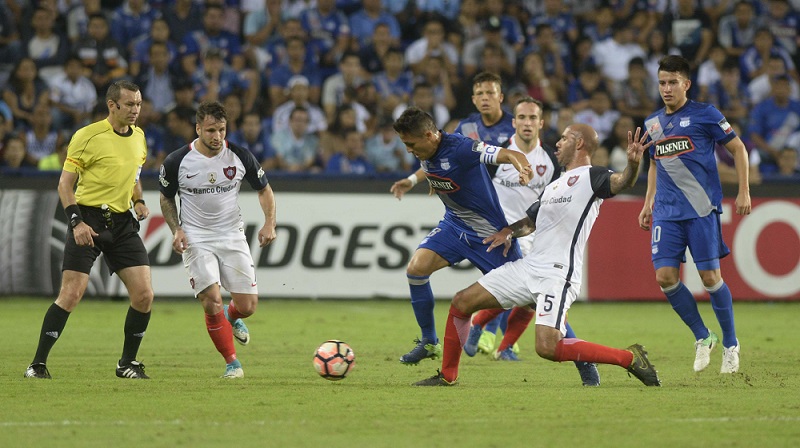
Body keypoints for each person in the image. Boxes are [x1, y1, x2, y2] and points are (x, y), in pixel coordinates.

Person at [413, 123, 661, 387]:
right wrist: (508, 232)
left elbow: (622, 182)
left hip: (557, 274)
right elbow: (530, 222)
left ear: (579, 143)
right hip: (529, 268)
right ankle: (448, 375)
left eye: (565, 138)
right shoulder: (554, 186)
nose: (558, 142)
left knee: (548, 347)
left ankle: (629, 358)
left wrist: (633, 165)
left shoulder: (593, 177)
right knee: (462, 302)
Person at [458, 97, 601, 386]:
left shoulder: (551, 160)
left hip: (537, 235)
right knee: (532, 297)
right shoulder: (499, 156)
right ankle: (580, 361)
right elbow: (479, 187)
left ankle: (484, 328)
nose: (527, 123)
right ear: (514, 121)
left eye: (532, 118)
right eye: (521, 117)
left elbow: (557, 199)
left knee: (531, 300)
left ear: (540, 122)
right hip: (504, 234)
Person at [24, 80, 154, 379]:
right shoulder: (87, 136)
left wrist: (139, 200)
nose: (136, 110)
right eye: (130, 104)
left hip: (121, 222)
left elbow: (133, 175)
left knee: (144, 295)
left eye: (139, 104)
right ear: (112, 105)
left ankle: (127, 364)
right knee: (71, 293)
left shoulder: (140, 138)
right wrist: (76, 222)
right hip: (88, 219)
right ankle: (37, 364)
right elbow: (65, 185)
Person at [388, 106, 533, 365]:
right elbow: (432, 166)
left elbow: (509, 154)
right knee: (416, 269)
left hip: (490, 234)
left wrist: (523, 168)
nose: (409, 150)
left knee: (529, 297)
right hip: (454, 226)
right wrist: (412, 181)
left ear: (430, 135)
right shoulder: (427, 149)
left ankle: (578, 356)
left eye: (411, 144)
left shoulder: (463, 148)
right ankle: (429, 342)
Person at [638, 55, 751, 375]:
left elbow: (738, 149)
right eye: (662, 83)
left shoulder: (706, 114)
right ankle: (703, 336)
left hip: (700, 209)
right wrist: (648, 203)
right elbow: (655, 166)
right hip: (666, 212)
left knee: (710, 278)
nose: (666, 88)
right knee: (664, 277)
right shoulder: (652, 124)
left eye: (673, 82)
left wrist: (743, 190)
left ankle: (731, 343)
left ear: (686, 84)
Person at [159, 101, 277, 379]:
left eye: (222, 130)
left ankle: (232, 315)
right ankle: (232, 363)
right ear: (197, 128)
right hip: (196, 238)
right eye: (210, 130)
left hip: (231, 235)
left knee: (248, 306)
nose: (217, 136)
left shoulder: (239, 156)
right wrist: (176, 229)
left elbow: (264, 189)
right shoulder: (177, 161)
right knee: (210, 299)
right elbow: (165, 198)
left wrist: (270, 222)